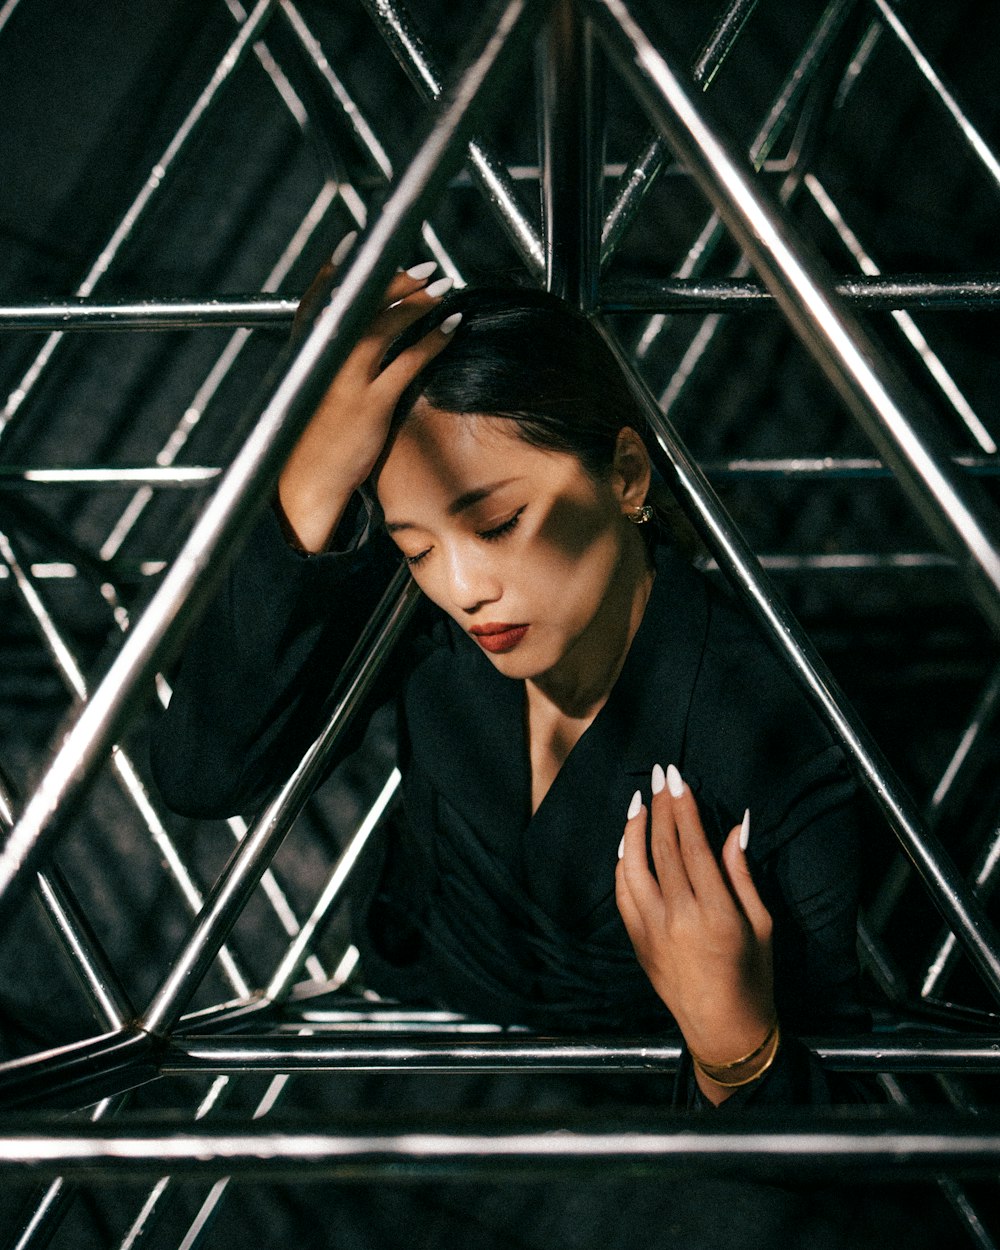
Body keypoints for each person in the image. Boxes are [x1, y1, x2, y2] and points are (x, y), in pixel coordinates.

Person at [152, 261, 867, 1115]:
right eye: (416, 546)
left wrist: (730, 1046)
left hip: (625, 1102)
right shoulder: (414, 618)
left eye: (498, 524)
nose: (461, 588)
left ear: (628, 474)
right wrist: (312, 482)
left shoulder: (780, 738)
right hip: (412, 1009)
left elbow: (837, 1134)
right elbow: (203, 773)